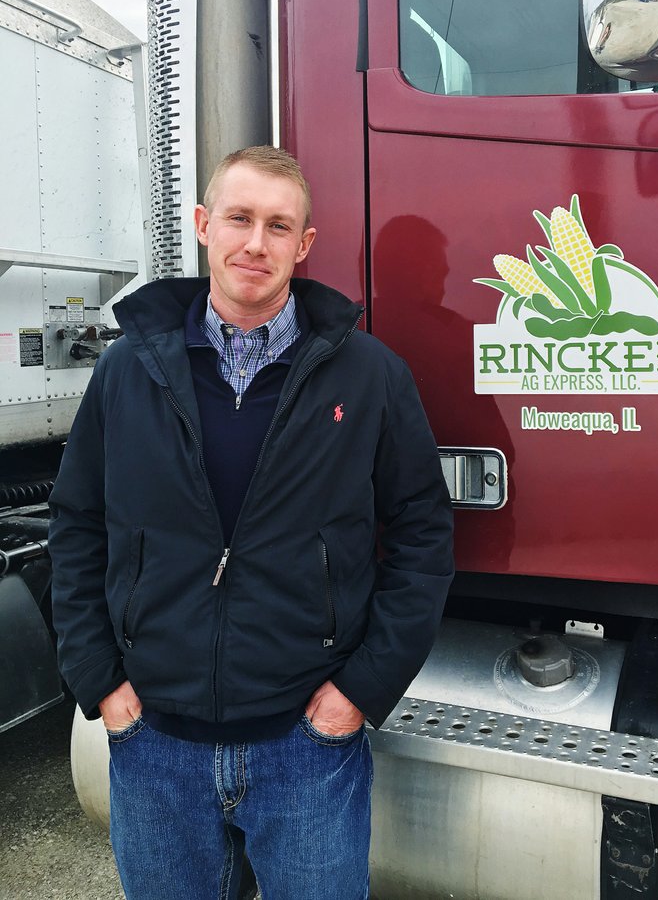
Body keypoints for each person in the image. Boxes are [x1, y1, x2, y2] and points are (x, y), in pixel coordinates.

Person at [48, 145, 454, 900]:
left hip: (305, 748)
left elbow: (423, 536)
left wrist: (358, 694)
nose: (255, 243)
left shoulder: (368, 376)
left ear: (304, 246)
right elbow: (76, 526)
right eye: (238, 218)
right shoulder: (126, 373)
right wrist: (102, 683)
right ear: (204, 225)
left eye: (278, 226)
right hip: (155, 746)